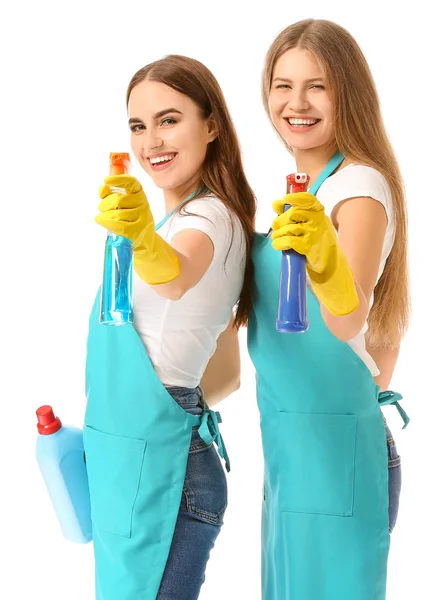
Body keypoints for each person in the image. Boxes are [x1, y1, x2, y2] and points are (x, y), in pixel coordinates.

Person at [207, 18, 410, 599]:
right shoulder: (314, 188)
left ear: (349, 92)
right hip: (293, 452)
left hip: (336, 456)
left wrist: (325, 262)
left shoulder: (360, 189)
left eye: (317, 86)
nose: (296, 103)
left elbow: (348, 318)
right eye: (282, 84)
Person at [83, 54, 256, 600]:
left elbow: (176, 276)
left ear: (211, 126)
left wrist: (140, 240)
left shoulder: (209, 219)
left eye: (169, 119)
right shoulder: (169, 222)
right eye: (138, 125)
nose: (150, 140)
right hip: (141, 455)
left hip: (165, 469)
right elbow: (225, 372)